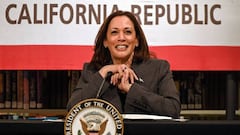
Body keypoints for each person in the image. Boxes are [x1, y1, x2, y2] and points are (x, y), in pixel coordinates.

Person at [67, 10, 181, 118]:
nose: (121, 38)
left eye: (128, 32)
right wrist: (105, 72)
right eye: (114, 32)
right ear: (105, 42)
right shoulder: (92, 71)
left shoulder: (159, 68)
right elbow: (72, 109)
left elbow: (173, 109)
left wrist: (131, 89)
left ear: (136, 40)